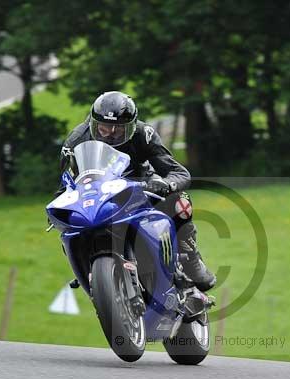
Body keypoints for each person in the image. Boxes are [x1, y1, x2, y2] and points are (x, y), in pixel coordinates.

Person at [58, 91, 216, 292]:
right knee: (68, 223)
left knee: (180, 202)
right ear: (93, 123)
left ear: (132, 127)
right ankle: (84, 269)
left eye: (118, 130)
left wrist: (166, 184)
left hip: (139, 187)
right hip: (96, 196)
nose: (110, 135)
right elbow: (65, 185)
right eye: (104, 129)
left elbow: (178, 172)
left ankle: (191, 259)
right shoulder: (75, 140)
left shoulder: (144, 134)